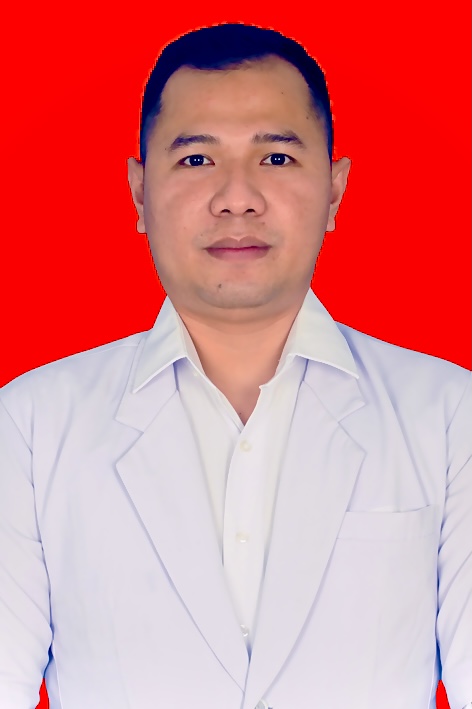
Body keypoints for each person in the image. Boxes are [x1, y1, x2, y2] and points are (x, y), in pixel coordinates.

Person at [0, 22, 470, 709]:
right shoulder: (30, 425)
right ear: (139, 193)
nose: (237, 197)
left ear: (335, 191)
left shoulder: (450, 415)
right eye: (197, 159)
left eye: (276, 158)